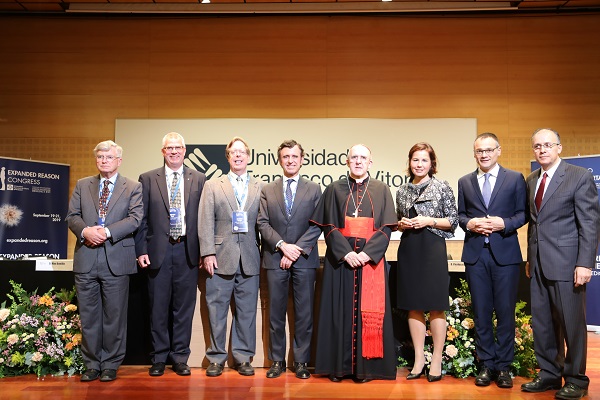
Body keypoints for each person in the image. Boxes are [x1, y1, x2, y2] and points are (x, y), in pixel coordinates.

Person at [521, 128, 599, 400]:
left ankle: (577, 379)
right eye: (537, 146)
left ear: (559, 148)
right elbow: (534, 224)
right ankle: (549, 374)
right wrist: (531, 260)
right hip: (539, 265)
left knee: (571, 324)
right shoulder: (532, 179)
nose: (542, 150)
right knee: (543, 323)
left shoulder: (578, 176)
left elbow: (588, 224)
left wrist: (585, 263)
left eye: (547, 145)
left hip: (568, 264)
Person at [310, 144, 397, 383]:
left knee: (368, 314)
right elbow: (327, 226)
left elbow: (387, 227)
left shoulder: (381, 189)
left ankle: (365, 370)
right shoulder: (334, 189)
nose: (358, 161)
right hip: (341, 262)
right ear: (347, 161)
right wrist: (346, 253)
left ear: (371, 162)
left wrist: (368, 254)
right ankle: (339, 368)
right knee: (339, 313)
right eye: (354, 157)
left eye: (363, 158)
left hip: (371, 263)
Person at [66, 140, 143, 382]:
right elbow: (72, 216)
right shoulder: (82, 185)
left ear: (119, 160)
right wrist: (86, 231)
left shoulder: (132, 186)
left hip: (116, 258)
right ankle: (92, 364)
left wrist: (106, 232)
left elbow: (135, 218)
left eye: (109, 157)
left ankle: (110, 364)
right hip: (86, 258)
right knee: (88, 316)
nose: (103, 161)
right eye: (100, 157)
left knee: (114, 316)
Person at [457, 133, 528, 389]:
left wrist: (504, 223)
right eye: (479, 151)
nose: (484, 154)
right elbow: (461, 216)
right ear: (474, 153)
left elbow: (523, 214)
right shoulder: (464, 181)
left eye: (488, 150)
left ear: (498, 151)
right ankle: (486, 364)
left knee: (506, 313)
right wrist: (470, 224)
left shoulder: (515, 178)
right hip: (476, 256)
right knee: (482, 313)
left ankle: (504, 367)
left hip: (506, 255)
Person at [135, 132, 206, 377]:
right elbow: (141, 219)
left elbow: (203, 220)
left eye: (178, 147)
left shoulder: (199, 178)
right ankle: (158, 358)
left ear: (185, 150)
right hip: (158, 251)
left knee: (183, 308)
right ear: (163, 151)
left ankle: (179, 358)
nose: (174, 151)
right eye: (169, 148)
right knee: (157, 307)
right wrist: (141, 250)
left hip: (188, 250)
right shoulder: (147, 178)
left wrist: (203, 251)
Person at [198, 136, 264, 377]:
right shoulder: (213, 185)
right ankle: (216, 358)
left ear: (248, 156)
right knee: (216, 311)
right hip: (219, 257)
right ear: (227, 157)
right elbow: (204, 220)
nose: (237, 156)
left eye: (241, 152)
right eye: (233, 152)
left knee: (247, 312)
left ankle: (243, 358)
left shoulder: (259, 187)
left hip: (249, 258)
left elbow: (262, 224)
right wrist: (207, 252)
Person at [257, 139, 322, 379]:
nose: (290, 160)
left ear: (302, 159)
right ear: (279, 160)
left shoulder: (314, 189)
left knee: (304, 313)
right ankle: (277, 361)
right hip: (275, 258)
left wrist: (296, 250)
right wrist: (284, 247)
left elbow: (317, 225)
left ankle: (301, 361)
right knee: (275, 313)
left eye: (295, 156)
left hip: (304, 260)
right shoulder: (267, 189)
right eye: (286, 157)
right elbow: (262, 223)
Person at [395, 142, 458, 382]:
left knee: (435, 305)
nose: (419, 164)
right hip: (409, 248)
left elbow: (453, 220)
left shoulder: (441, 186)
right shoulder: (402, 190)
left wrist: (428, 220)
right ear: (409, 163)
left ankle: (437, 359)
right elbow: (397, 219)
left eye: (424, 160)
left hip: (432, 248)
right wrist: (402, 224)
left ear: (432, 163)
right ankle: (419, 359)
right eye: (415, 160)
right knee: (413, 305)